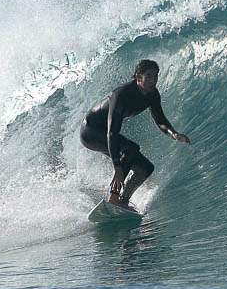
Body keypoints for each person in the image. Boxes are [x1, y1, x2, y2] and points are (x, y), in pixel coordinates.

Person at [79, 59, 190, 210]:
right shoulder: (121, 95)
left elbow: (160, 120)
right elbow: (112, 133)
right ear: (138, 76)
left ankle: (123, 201)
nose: (153, 80)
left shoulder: (152, 95)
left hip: (105, 133)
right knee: (130, 148)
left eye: (156, 76)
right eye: (149, 76)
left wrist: (174, 134)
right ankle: (114, 197)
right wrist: (117, 166)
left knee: (146, 168)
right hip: (91, 131)